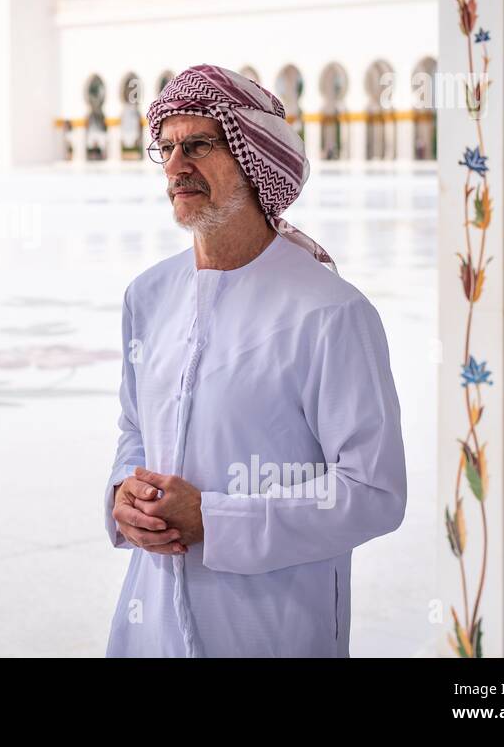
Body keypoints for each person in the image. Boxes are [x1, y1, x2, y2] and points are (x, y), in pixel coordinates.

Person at [104, 63, 407, 657]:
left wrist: (215, 522)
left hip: (274, 630)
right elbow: (136, 430)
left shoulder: (329, 313)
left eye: (196, 145)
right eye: (164, 148)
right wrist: (123, 493)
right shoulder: (148, 296)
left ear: (254, 159)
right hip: (152, 626)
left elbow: (373, 491)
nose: (174, 167)